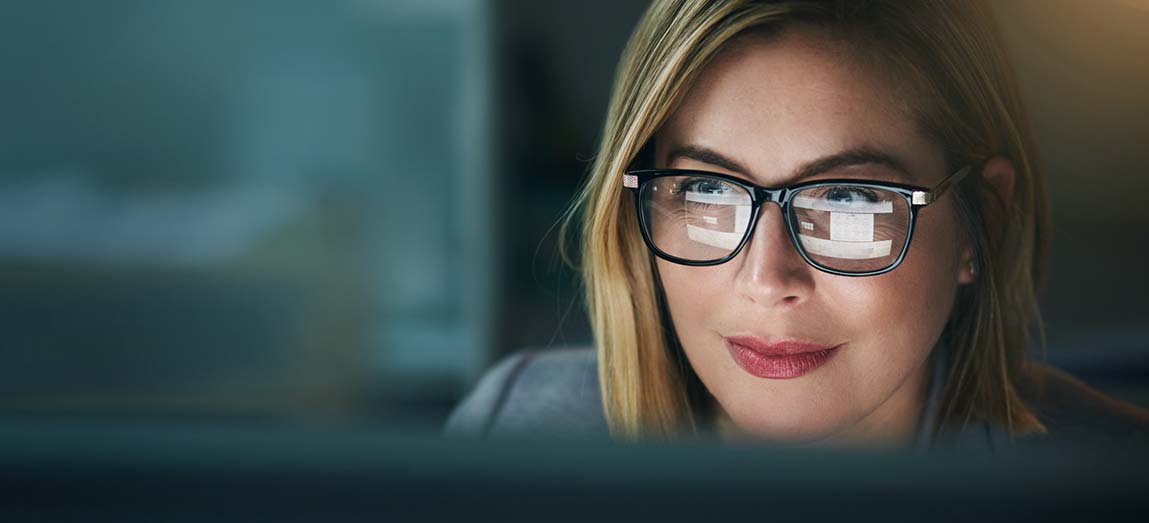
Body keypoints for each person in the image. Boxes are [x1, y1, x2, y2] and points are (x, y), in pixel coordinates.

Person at [446, 0, 1148, 449]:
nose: (766, 278)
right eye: (703, 188)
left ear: (978, 225)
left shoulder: (1108, 479)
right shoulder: (518, 431)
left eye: (845, 200)